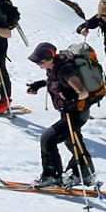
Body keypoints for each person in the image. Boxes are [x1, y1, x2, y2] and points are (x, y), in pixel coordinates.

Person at [27, 42, 95, 188]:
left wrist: (72, 97)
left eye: (40, 62)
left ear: (50, 59)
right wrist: (38, 85)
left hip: (76, 114)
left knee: (47, 139)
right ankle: (84, 174)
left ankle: (52, 176)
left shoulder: (65, 70)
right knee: (73, 142)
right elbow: (54, 81)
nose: (38, 65)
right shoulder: (54, 68)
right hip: (70, 113)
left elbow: (83, 92)